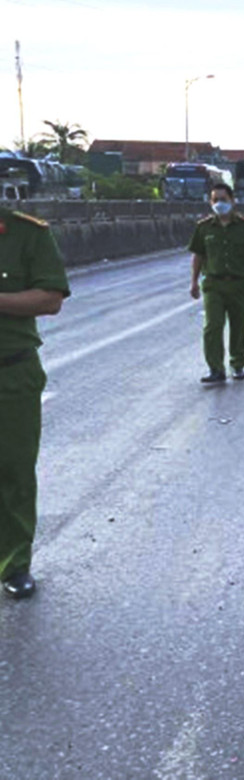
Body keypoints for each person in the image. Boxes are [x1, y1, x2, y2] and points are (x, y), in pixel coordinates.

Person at [0, 206, 70, 599]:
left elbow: (50, 298)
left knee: (12, 472)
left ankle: (14, 564)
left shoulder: (27, 234)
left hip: (10, 372)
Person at [188, 183, 244, 383]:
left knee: (239, 326)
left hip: (239, 284)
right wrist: (194, 282)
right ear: (210, 202)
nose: (219, 204)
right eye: (215, 200)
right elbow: (198, 255)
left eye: (223, 199)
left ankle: (237, 364)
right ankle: (216, 368)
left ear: (232, 201)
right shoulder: (203, 227)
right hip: (213, 284)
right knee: (213, 326)